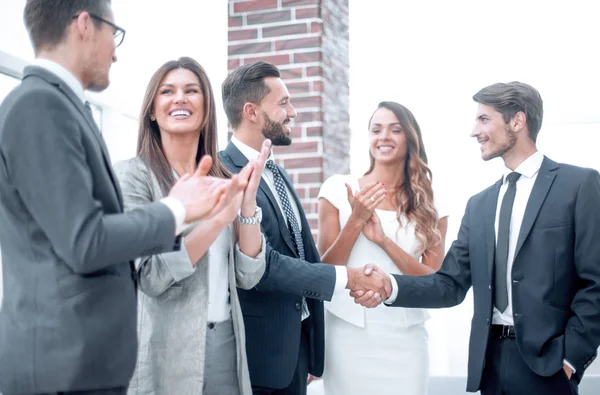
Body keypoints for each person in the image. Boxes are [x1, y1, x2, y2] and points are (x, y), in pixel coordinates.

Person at [0, 2, 241, 394]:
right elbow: (85, 241)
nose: (115, 51)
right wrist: (176, 210)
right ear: (84, 25)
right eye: (114, 33)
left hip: (80, 365)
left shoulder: (61, 106)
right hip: (60, 368)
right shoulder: (40, 105)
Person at [355, 82, 600, 395]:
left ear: (517, 121)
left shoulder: (578, 185)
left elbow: (596, 282)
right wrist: (390, 285)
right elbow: (449, 284)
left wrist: (570, 358)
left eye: (484, 119)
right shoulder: (479, 205)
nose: (475, 131)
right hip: (490, 367)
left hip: (549, 367)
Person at [220, 60, 390, 395]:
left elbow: (304, 255)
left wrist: (310, 346)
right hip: (257, 360)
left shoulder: (277, 174)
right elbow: (264, 267)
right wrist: (351, 278)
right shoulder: (224, 174)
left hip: (295, 352)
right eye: (283, 103)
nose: (292, 112)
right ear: (251, 112)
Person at [114, 57, 267, 395]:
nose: (180, 98)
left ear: (207, 108)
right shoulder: (133, 177)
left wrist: (247, 205)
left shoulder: (224, 180)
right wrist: (216, 221)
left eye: (191, 90)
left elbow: (248, 274)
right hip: (161, 348)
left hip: (225, 344)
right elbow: (150, 277)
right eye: (167, 91)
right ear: (152, 111)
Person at [317, 101, 448, 395]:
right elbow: (323, 271)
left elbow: (435, 283)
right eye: (376, 129)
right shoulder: (338, 188)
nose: (384, 136)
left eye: (395, 129)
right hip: (347, 334)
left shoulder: (431, 203)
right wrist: (357, 219)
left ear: (410, 138)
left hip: (406, 337)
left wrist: (383, 241)